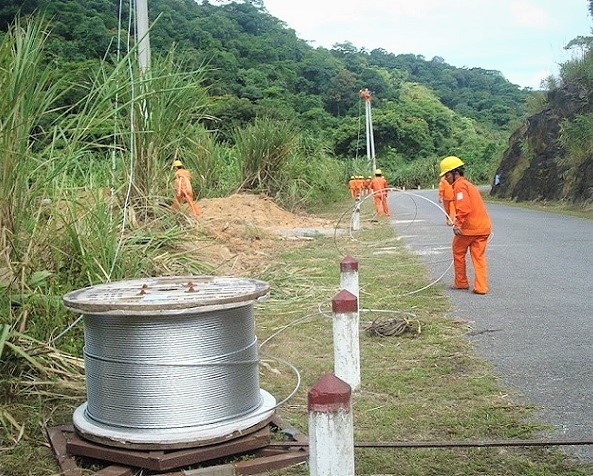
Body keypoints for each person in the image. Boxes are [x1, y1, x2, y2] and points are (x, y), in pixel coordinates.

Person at [439, 156, 491, 294]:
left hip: (469, 229)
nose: (446, 179)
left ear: (456, 173)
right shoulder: (468, 184)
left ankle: (461, 282)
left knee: (458, 250)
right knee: (478, 257)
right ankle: (481, 287)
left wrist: (458, 224)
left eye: (447, 175)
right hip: (483, 228)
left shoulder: (460, 186)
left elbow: (464, 208)